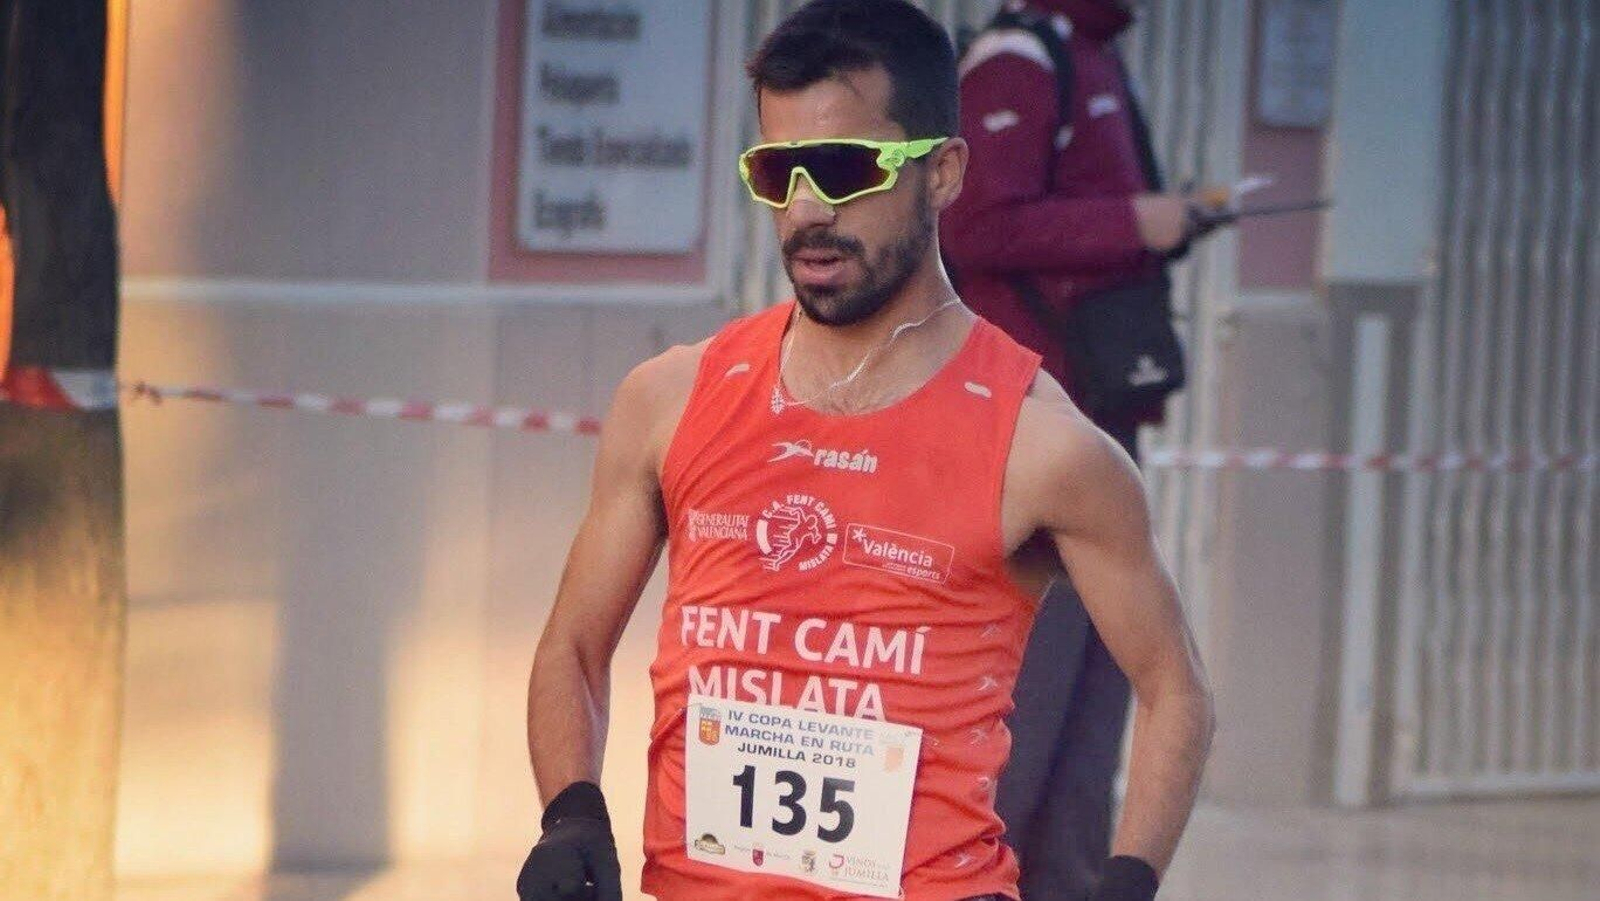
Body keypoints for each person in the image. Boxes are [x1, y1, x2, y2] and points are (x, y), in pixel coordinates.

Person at [517, 2, 1213, 899]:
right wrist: (572, 814)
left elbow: (1175, 688)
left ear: (944, 172)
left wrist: (1126, 880)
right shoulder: (670, 398)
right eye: (779, 171)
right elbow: (573, 644)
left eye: (845, 169)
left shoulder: (1043, 446)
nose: (808, 210)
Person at [940, 2, 1224, 897]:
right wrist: (1131, 224)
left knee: (1089, 727)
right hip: (1030, 427)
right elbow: (972, 228)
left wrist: (1165, 221)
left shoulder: (1096, 56)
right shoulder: (1020, 57)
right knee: (1027, 721)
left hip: (1100, 422)